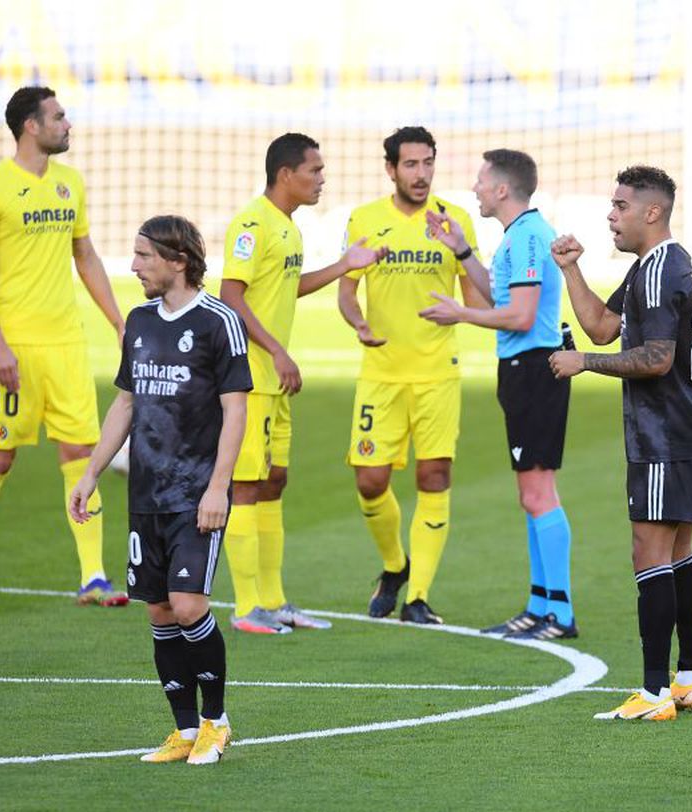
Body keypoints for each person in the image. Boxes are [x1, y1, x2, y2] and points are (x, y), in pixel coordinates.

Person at [70, 215, 250, 764]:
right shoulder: (140, 322)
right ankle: (184, 732)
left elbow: (235, 409)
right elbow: (125, 402)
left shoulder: (220, 321)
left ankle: (216, 723)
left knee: (190, 603)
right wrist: (91, 471)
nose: (133, 266)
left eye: (144, 256)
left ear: (177, 261)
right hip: (145, 495)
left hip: (197, 495)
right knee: (160, 613)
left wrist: (219, 488)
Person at [549, 165, 692, 721]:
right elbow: (602, 324)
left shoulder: (658, 271)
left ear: (652, 212)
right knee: (678, 553)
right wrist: (572, 271)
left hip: (665, 433)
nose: (610, 215)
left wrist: (584, 364)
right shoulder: (662, 264)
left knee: (649, 554)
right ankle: (688, 680)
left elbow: (656, 358)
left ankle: (652, 695)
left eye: (620, 205)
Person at [0, 86, 126, 605]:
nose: (67, 123)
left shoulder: (69, 184)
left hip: (66, 345)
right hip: (14, 347)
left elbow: (86, 256)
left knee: (82, 453)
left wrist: (120, 323)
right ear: (31, 126)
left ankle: (93, 577)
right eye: (57, 116)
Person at [220, 133, 387, 634]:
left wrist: (343, 267)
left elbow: (287, 286)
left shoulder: (288, 229)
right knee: (246, 486)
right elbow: (231, 295)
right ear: (286, 174)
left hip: (273, 381)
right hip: (248, 379)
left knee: (273, 483)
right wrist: (275, 350)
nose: (321, 179)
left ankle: (274, 601)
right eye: (314, 170)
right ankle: (248, 607)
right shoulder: (252, 223)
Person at [421, 149, 577, 640]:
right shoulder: (518, 236)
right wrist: (463, 250)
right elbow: (503, 299)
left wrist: (460, 314)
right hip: (521, 369)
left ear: (503, 188)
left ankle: (561, 613)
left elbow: (522, 317)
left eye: (481, 180)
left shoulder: (530, 235)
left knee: (538, 493)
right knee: (530, 495)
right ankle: (539, 605)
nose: (475, 188)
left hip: (535, 369)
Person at [338, 126, 486, 625]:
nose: (421, 174)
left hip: (436, 373)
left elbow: (479, 301)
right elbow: (346, 290)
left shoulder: (454, 220)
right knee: (370, 481)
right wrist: (359, 323)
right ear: (390, 170)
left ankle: (418, 597)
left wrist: (462, 296)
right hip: (381, 373)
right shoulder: (364, 219)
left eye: (428, 163)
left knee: (434, 475)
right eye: (411, 165)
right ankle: (394, 566)